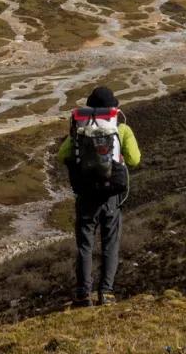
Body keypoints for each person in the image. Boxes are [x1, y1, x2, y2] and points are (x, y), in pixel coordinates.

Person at [57, 85, 141, 307]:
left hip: (85, 195)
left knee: (85, 245)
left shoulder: (79, 130)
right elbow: (135, 160)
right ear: (113, 109)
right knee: (110, 244)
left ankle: (83, 294)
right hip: (111, 196)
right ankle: (106, 293)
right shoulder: (121, 129)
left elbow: (62, 155)